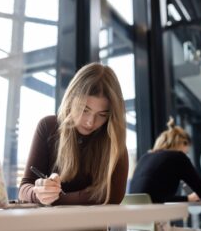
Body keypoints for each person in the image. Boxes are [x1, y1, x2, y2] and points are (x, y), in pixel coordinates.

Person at [19, 63, 129, 205]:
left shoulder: (114, 143)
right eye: (84, 110)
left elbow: (111, 196)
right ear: (70, 100)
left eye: (102, 115)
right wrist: (38, 193)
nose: (90, 122)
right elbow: (24, 187)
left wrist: (54, 200)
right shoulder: (48, 126)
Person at [129, 117, 201, 203]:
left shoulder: (145, 157)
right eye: (186, 152)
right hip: (154, 215)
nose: (186, 154)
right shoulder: (178, 157)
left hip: (135, 216)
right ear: (183, 143)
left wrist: (187, 198)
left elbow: (156, 197)